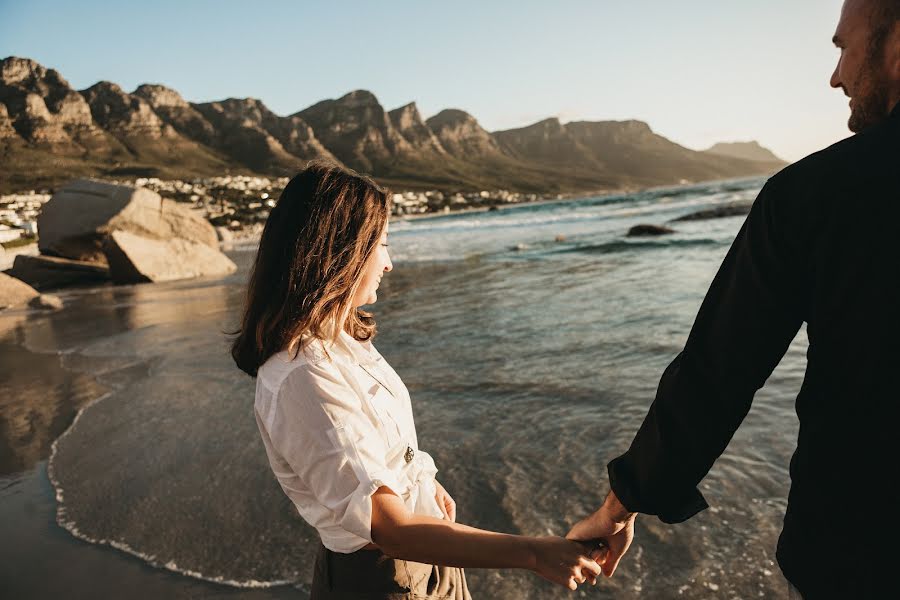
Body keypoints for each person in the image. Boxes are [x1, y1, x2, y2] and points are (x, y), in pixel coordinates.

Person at [567, 0, 900, 598]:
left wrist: (622, 504)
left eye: (843, 47)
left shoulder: (818, 194)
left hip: (861, 552)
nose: (836, 75)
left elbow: (717, 373)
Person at [232, 162, 603, 598]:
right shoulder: (304, 376)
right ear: (341, 250)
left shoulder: (340, 342)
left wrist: (421, 481)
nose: (388, 264)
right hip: (385, 576)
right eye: (382, 244)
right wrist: (535, 553)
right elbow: (389, 527)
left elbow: (376, 450)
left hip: (425, 552)